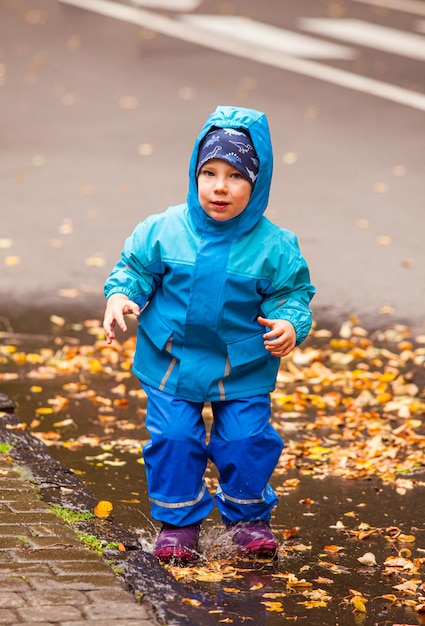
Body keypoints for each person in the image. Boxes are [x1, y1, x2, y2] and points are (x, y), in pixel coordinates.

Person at [103, 105, 315, 563]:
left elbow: (291, 295)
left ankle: (247, 518)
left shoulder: (274, 245)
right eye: (210, 172)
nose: (220, 187)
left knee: (245, 439)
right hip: (171, 359)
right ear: (194, 174)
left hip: (240, 365)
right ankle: (178, 524)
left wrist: (289, 324)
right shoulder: (162, 230)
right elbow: (135, 271)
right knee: (175, 437)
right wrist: (121, 296)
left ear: (256, 184)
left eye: (237, 176)